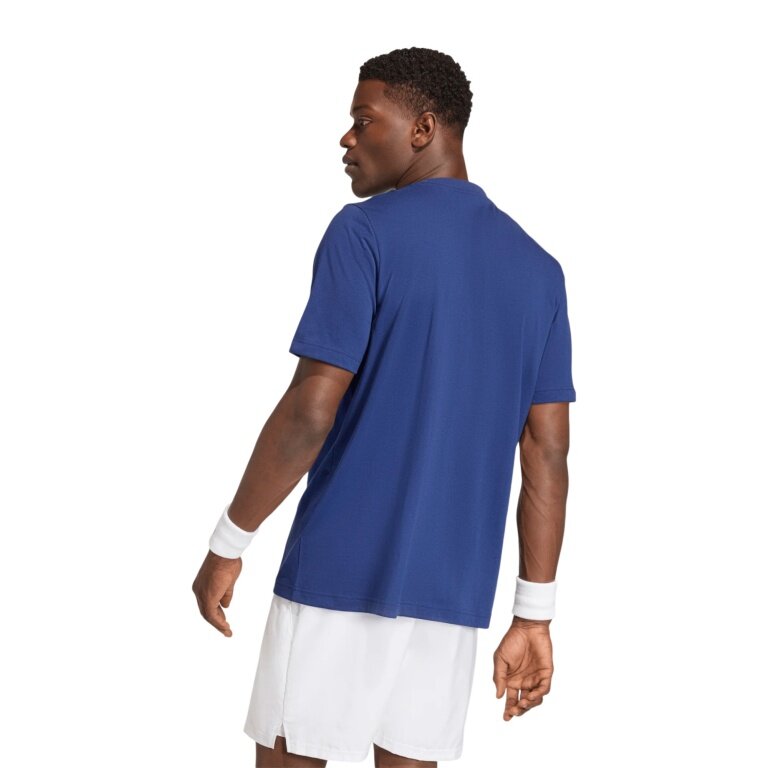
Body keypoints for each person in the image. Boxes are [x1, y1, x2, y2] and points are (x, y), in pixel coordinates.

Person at [192, 46, 575, 767]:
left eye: (363, 120)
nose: (347, 138)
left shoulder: (363, 232)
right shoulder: (539, 270)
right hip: (453, 592)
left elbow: (311, 410)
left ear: (424, 128)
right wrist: (534, 613)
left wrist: (229, 541)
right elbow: (547, 451)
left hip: (338, 570)